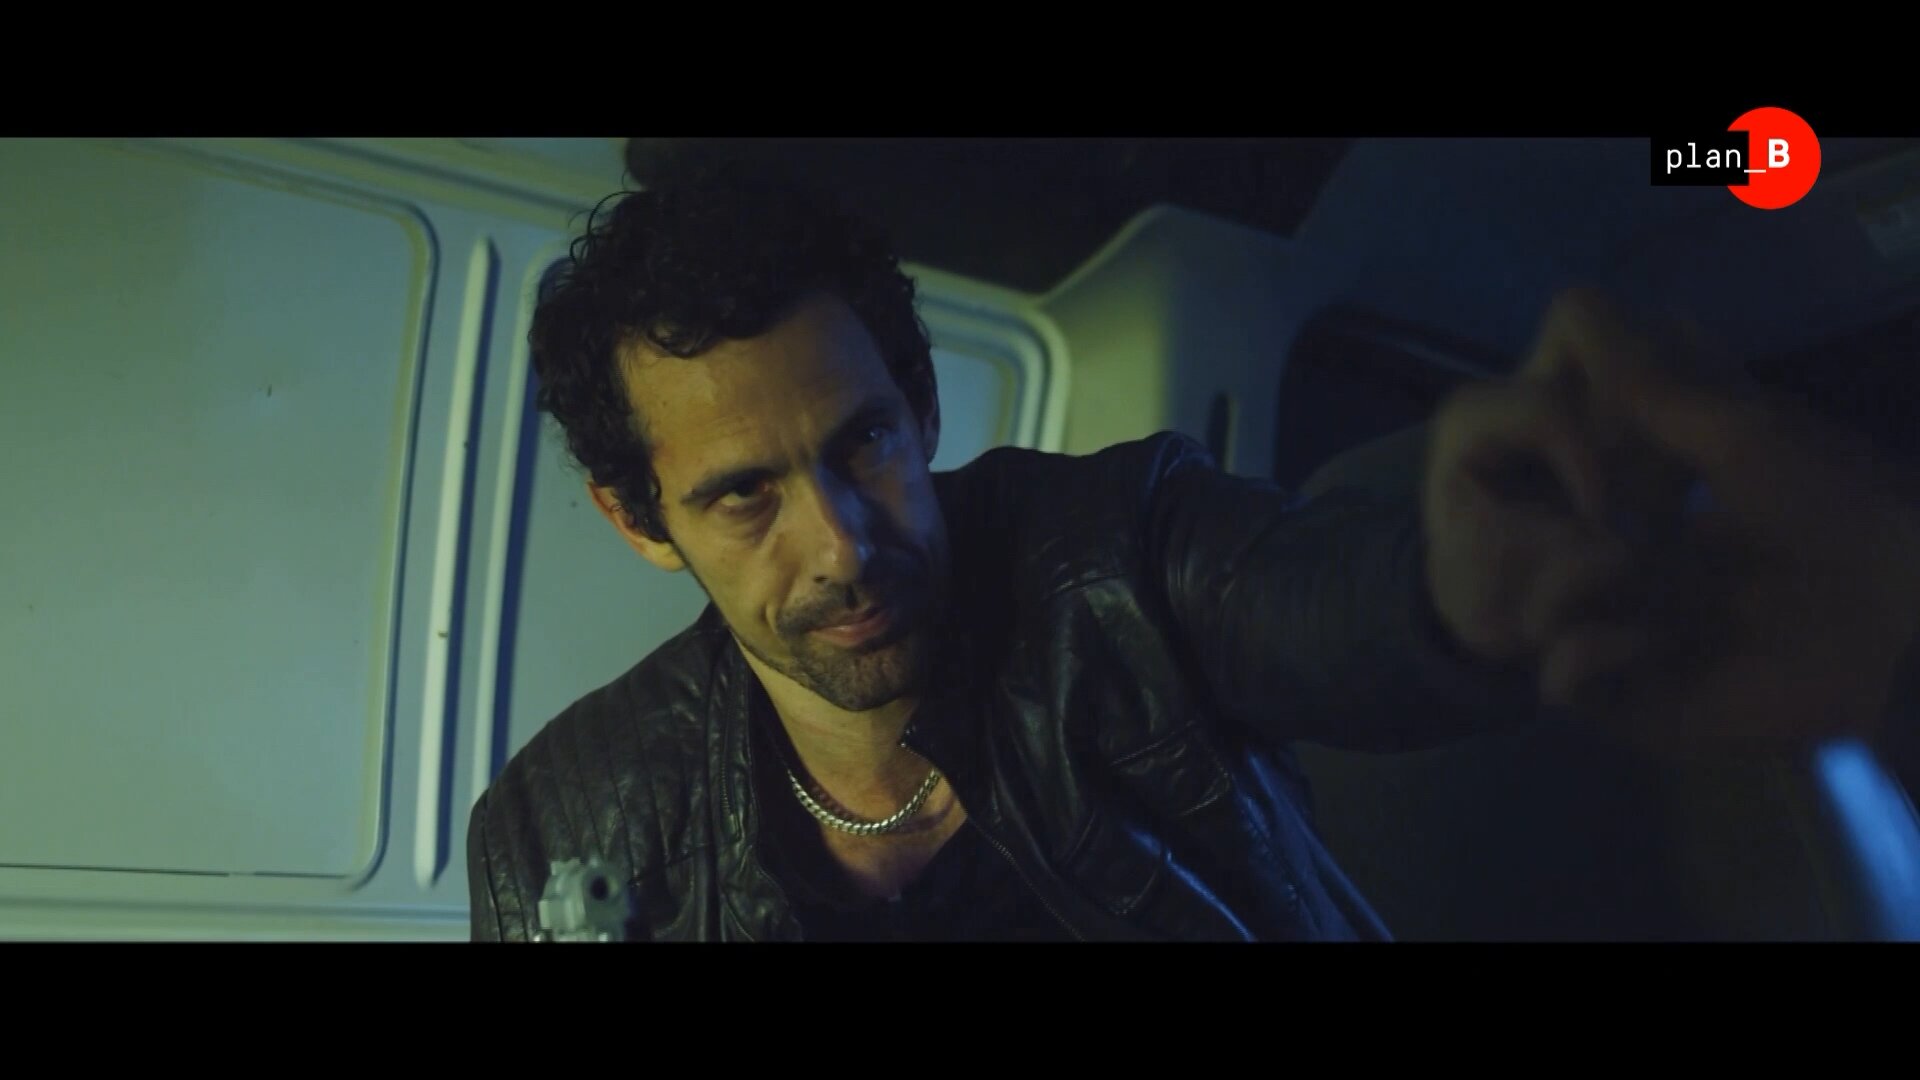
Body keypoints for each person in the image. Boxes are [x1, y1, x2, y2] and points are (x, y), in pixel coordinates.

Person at [466, 166, 1920, 941]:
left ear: (921, 408)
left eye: (863, 443)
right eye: (743, 497)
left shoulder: (1111, 550)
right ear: (639, 520)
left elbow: (1314, 597)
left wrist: (1458, 590)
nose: (839, 542)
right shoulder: (559, 831)